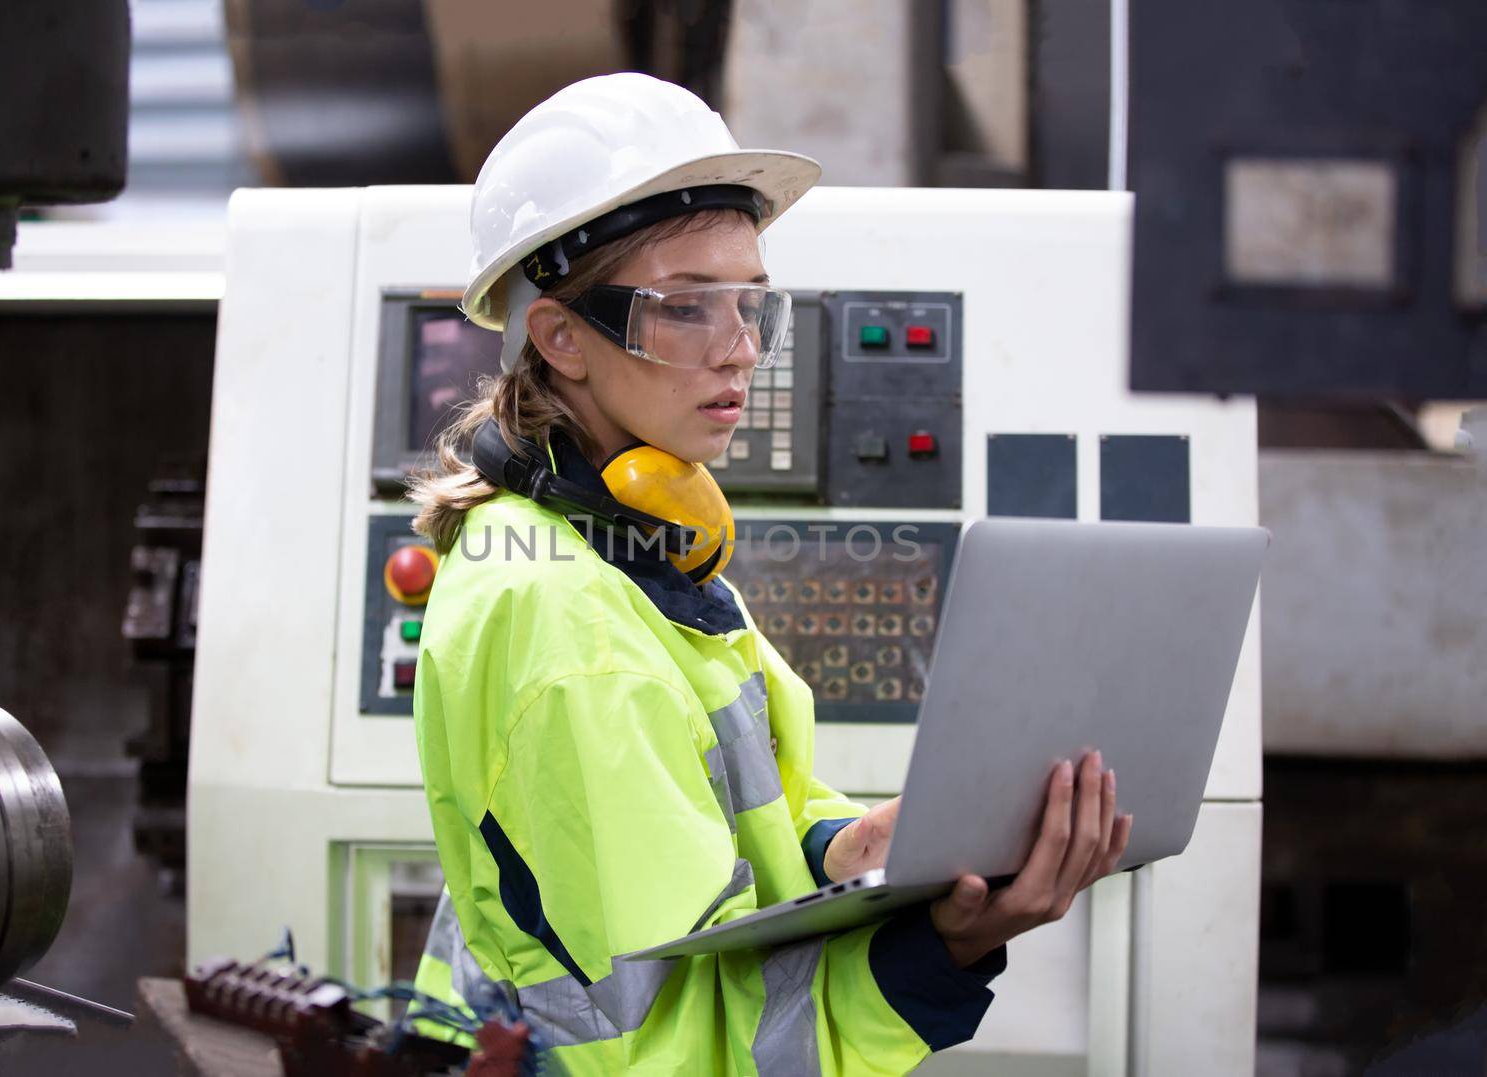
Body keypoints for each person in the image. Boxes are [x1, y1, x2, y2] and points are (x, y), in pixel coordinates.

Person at [406, 72, 1132, 1075]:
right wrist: (941, 953)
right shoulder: (565, 620)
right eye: (685, 309)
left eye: (751, 303)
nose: (742, 350)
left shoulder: (630, 546)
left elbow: (742, 825)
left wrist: (856, 844)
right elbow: (681, 1049)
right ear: (561, 338)